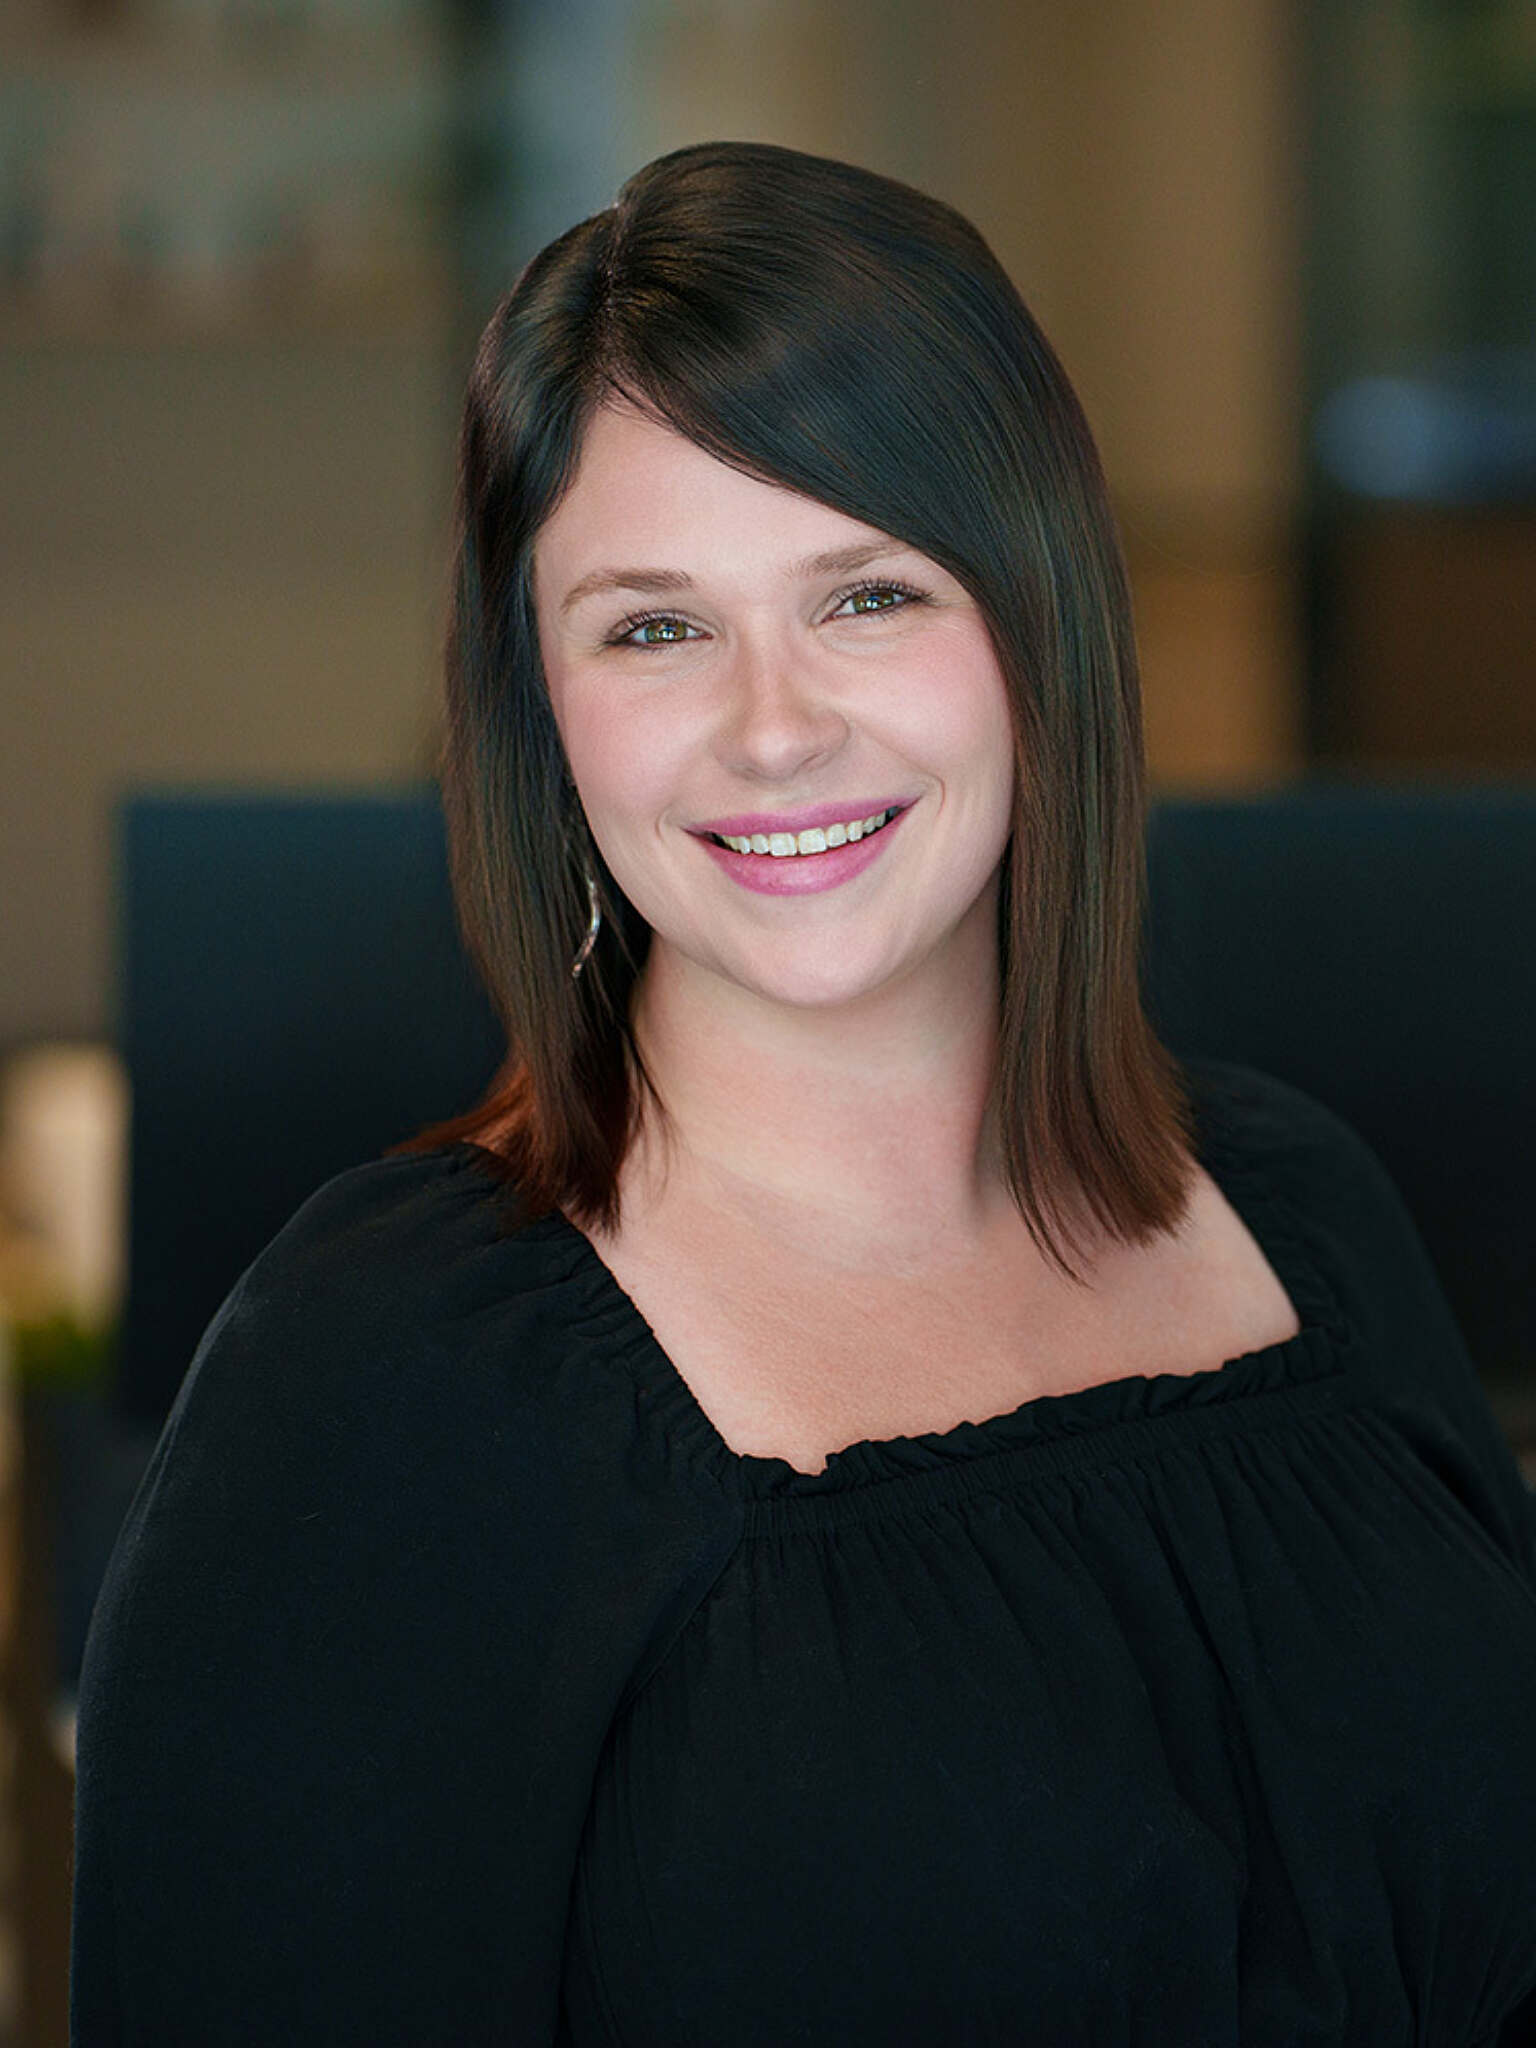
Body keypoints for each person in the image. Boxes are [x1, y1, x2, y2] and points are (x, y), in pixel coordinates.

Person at [70, 140, 1536, 2045]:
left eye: (868, 594)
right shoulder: (386, 1378)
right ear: (540, 709)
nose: (774, 726)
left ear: (1041, 630)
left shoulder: (1298, 1210)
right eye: (656, 625)